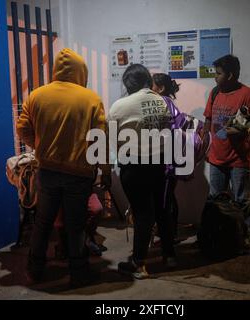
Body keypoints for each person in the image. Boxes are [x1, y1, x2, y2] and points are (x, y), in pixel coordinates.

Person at [16, 48, 111, 288]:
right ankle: (78, 272)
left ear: (56, 69)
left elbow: (23, 129)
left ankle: (36, 269)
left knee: (43, 221)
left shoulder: (37, 95)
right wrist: (105, 170)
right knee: (76, 224)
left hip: (47, 171)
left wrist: (40, 145)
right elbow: (100, 139)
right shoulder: (91, 99)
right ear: (81, 71)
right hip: (79, 173)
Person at [108, 64, 177, 279]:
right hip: (159, 163)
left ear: (128, 83)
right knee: (163, 209)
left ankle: (139, 264)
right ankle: (169, 255)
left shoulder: (119, 106)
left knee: (143, 214)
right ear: (147, 79)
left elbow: (111, 139)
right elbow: (166, 131)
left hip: (133, 167)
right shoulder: (161, 101)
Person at [202, 54, 250, 225]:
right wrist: (204, 142)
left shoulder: (248, 95)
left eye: (218, 73)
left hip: (240, 159)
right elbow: (208, 119)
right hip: (216, 158)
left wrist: (243, 129)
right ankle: (217, 236)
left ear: (230, 75)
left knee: (241, 201)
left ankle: (242, 238)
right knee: (215, 200)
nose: (215, 77)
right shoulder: (215, 93)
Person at [151, 73, 181, 243]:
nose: (149, 90)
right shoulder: (168, 103)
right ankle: (170, 231)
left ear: (160, 88)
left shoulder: (163, 103)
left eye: (151, 86)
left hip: (167, 159)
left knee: (166, 198)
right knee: (168, 196)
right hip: (171, 157)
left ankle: (169, 233)